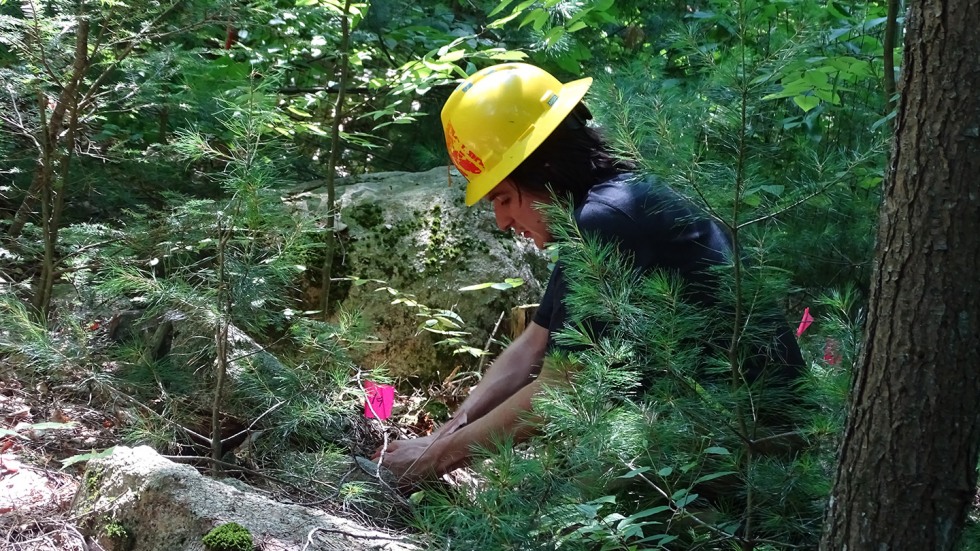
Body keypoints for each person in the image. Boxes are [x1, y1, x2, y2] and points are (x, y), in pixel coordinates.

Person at [371, 63, 806, 481]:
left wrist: (434, 459)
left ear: (543, 167)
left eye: (503, 197)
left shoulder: (609, 219)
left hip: (747, 450)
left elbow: (566, 383)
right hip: (712, 431)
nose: (503, 222)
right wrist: (448, 430)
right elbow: (533, 346)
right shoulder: (606, 206)